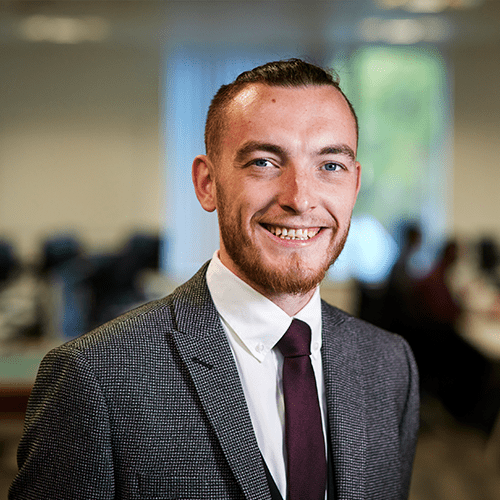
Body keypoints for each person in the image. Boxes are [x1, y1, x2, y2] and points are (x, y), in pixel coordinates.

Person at [10, 59, 419, 500]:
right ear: (207, 183)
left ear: (354, 185)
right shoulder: (94, 378)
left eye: (330, 166)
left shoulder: (390, 364)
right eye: (264, 162)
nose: (300, 198)